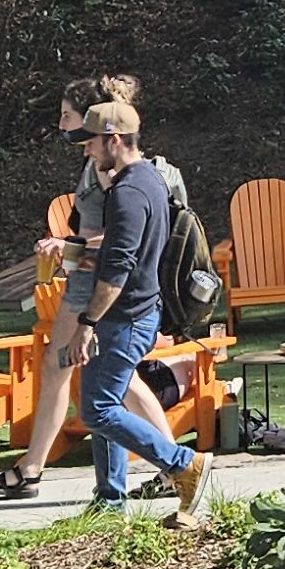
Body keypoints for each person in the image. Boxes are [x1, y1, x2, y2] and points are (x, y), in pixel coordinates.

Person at [53, 100, 209, 526]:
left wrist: (87, 323)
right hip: (138, 309)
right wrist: (79, 255)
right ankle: (110, 499)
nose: (87, 151)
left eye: (92, 143)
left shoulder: (128, 193)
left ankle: (182, 463)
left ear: (115, 140)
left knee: (97, 409)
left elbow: (120, 268)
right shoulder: (149, 180)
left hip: (124, 316)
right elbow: (129, 252)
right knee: (107, 397)